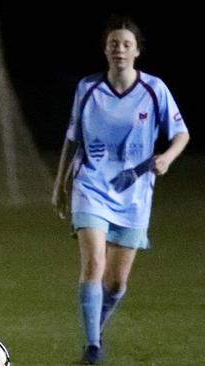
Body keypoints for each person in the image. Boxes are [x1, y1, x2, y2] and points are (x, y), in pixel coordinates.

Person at [51, 15, 189, 365]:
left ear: (137, 51)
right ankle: (93, 346)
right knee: (94, 261)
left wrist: (168, 157)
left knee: (114, 283)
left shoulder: (154, 90)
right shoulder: (88, 88)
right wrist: (60, 185)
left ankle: (94, 330)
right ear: (105, 49)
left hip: (135, 195)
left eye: (127, 44)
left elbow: (181, 133)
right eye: (114, 44)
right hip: (91, 185)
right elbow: (73, 140)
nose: (120, 50)